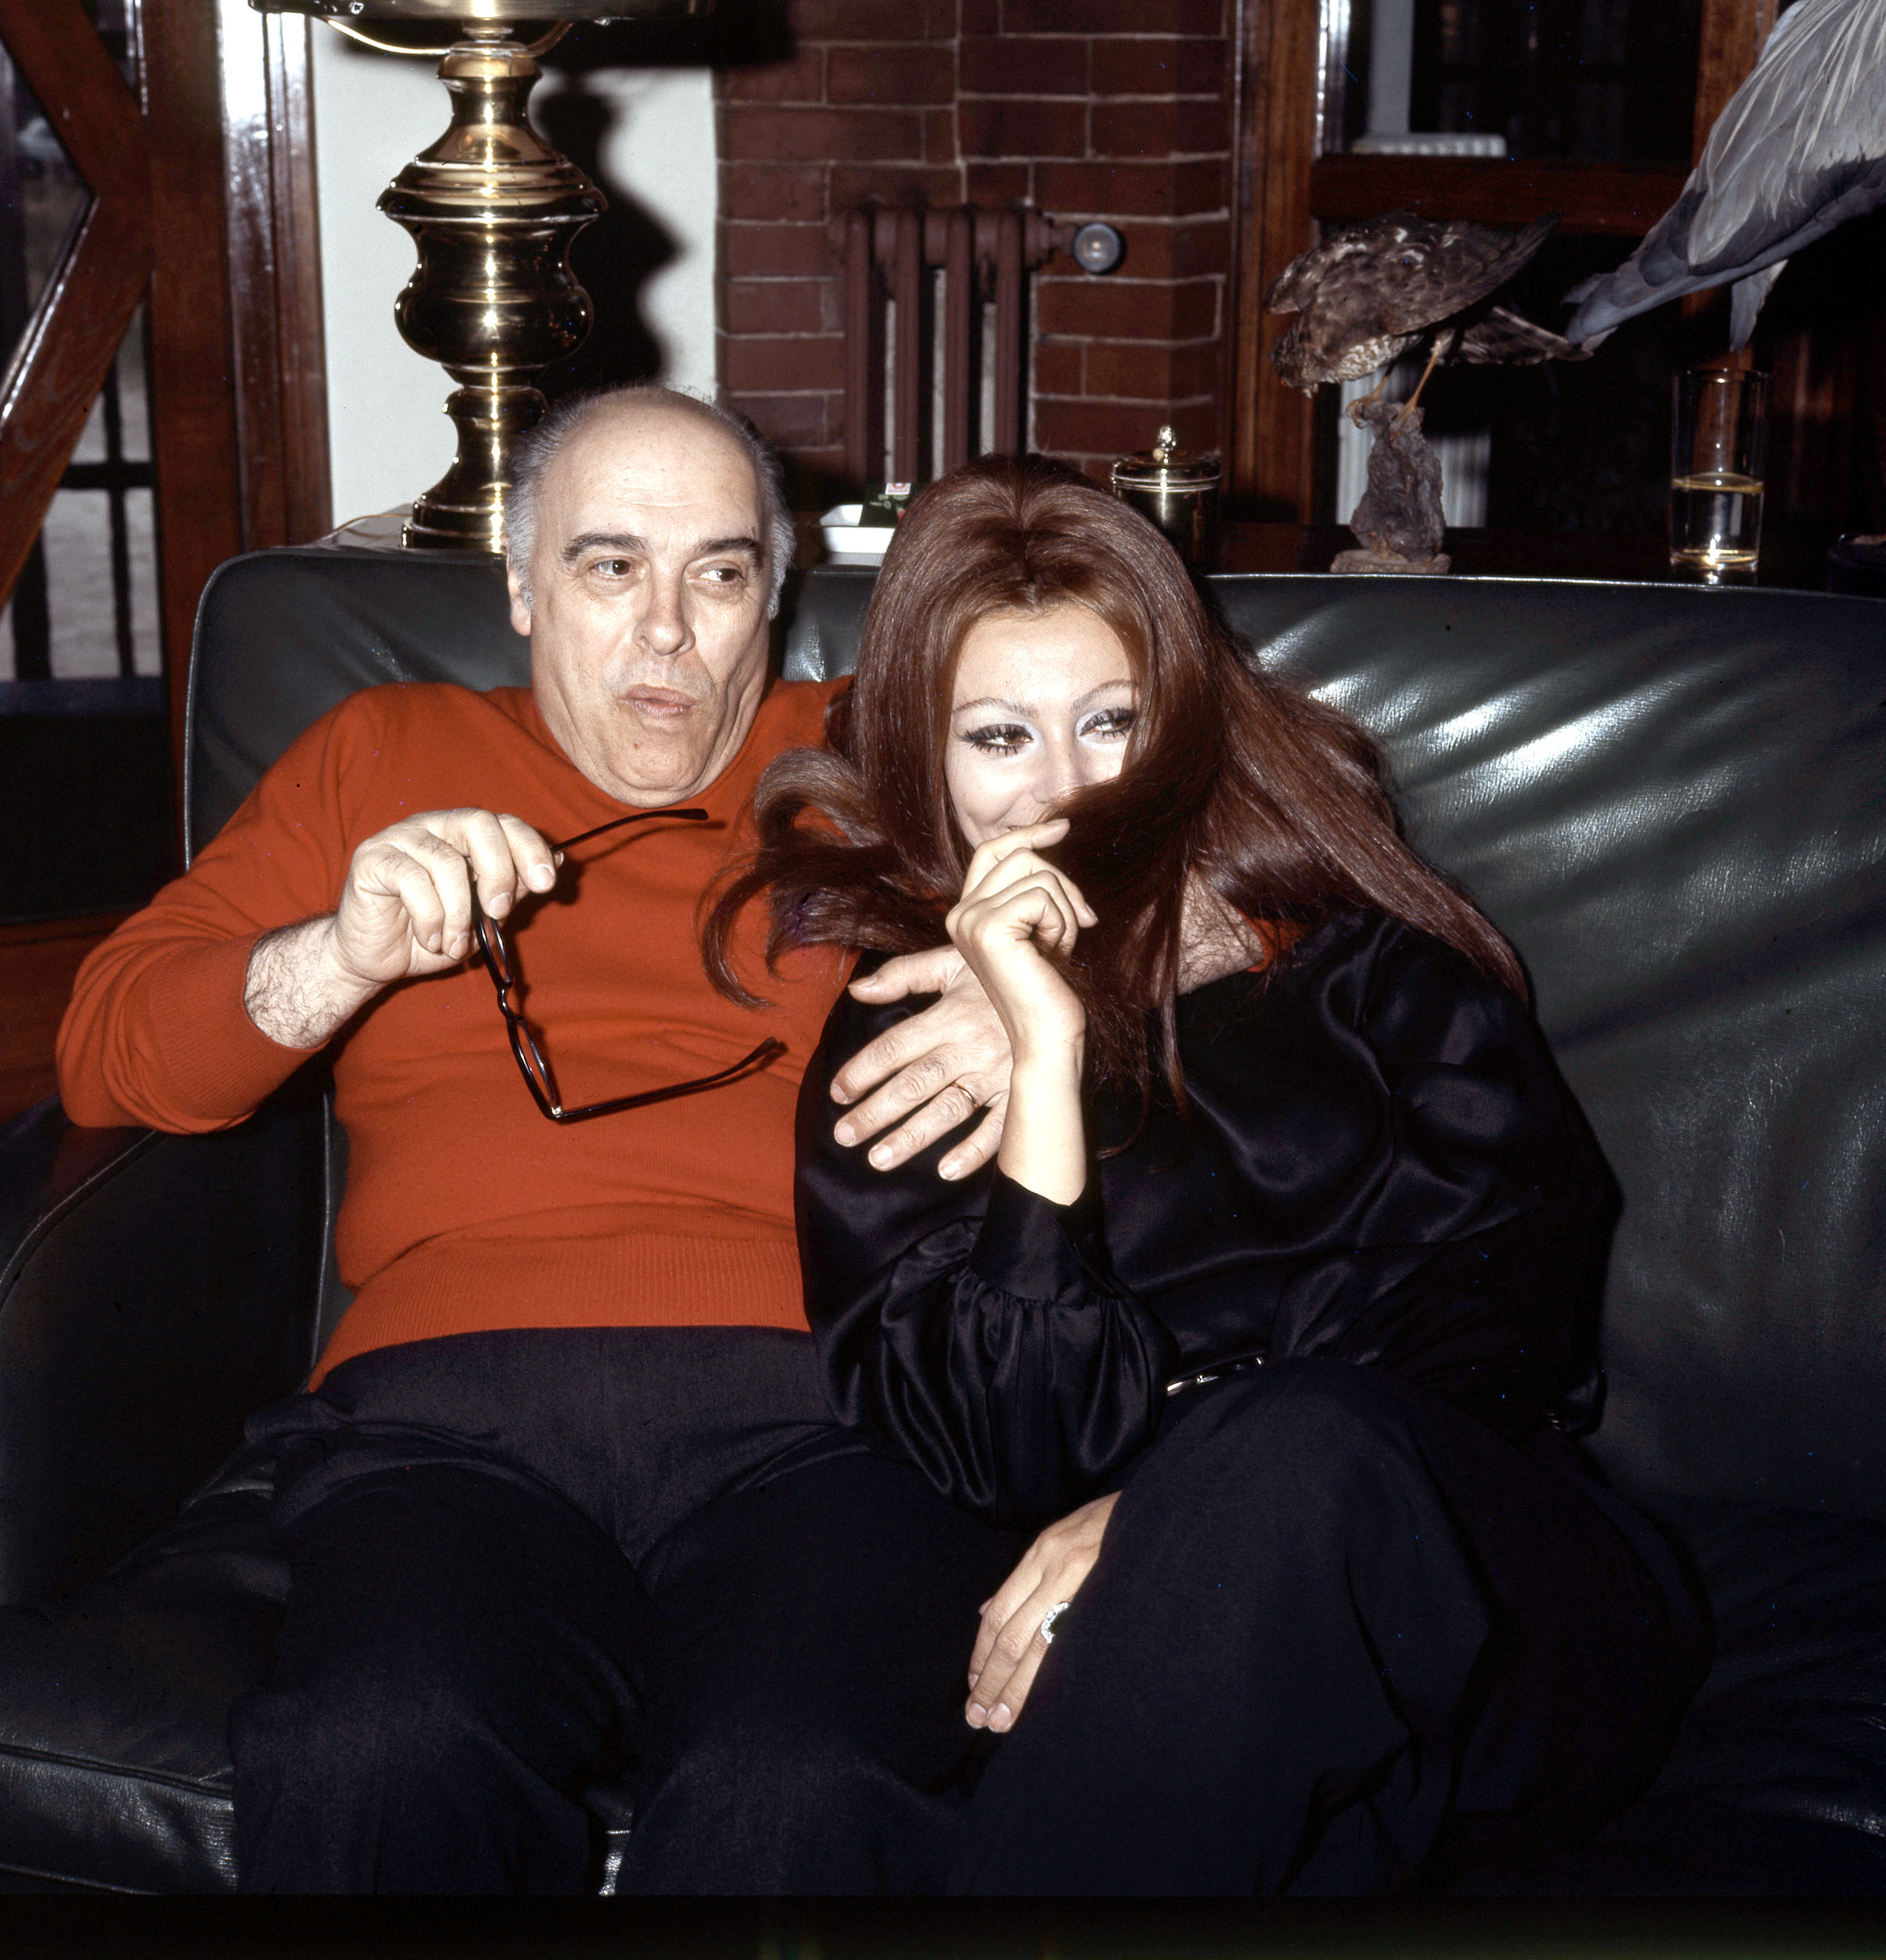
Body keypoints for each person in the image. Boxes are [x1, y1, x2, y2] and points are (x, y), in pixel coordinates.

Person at [53, 384, 1024, 1894]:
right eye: (608, 566)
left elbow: (1263, 863)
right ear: (519, 588)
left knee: (797, 1780)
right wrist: (338, 955)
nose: (666, 633)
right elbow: (110, 1053)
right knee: (380, 1746)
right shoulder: (382, 749)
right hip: (449, 1423)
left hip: (828, 1408)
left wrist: (1051, 997)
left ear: (775, 595)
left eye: (718, 574)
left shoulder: (880, 755)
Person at [704, 454, 1710, 1894]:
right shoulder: (915, 1039)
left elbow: (1507, 1311)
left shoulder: (1361, 957)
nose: (1066, 788)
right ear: (924, 760)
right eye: (998, 736)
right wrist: (1045, 1060)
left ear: (1177, 720)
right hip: (1163, 1674)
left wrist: (1175, 1510)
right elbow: (1001, 1454)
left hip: (1483, 1590)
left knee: (1293, 1457)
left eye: (1109, 721)